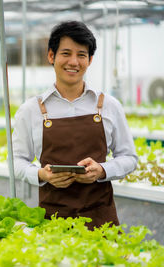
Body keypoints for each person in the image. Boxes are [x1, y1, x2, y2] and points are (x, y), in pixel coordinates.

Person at [12, 21, 138, 230]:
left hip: (100, 219)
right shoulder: (31, 110)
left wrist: (102, 170)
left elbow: (129, 158)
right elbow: (16, 161)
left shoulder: (108, 105)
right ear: (51, 56)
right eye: (66, 53)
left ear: (90, 60)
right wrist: (41, 175)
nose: (73, 61)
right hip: (52, 220)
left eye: (81, 55)